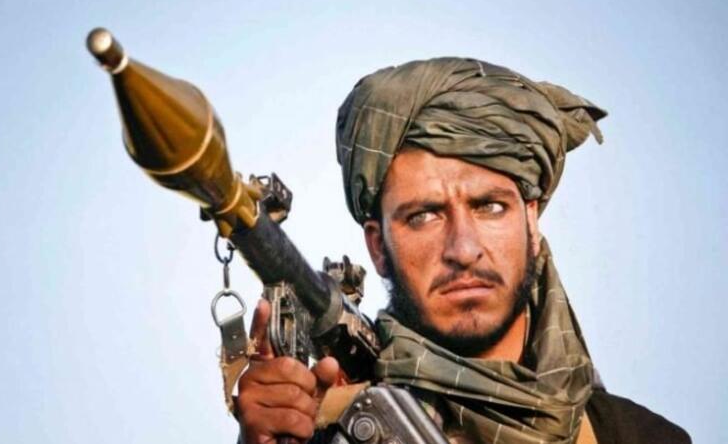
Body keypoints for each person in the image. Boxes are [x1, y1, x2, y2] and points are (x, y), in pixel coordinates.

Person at [234, 58, 690, 444]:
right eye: (423, 216)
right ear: (377, 246)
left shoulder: (639, 436)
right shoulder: (331, 425)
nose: (464, 249)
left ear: (531, 223)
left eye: (490, 207)